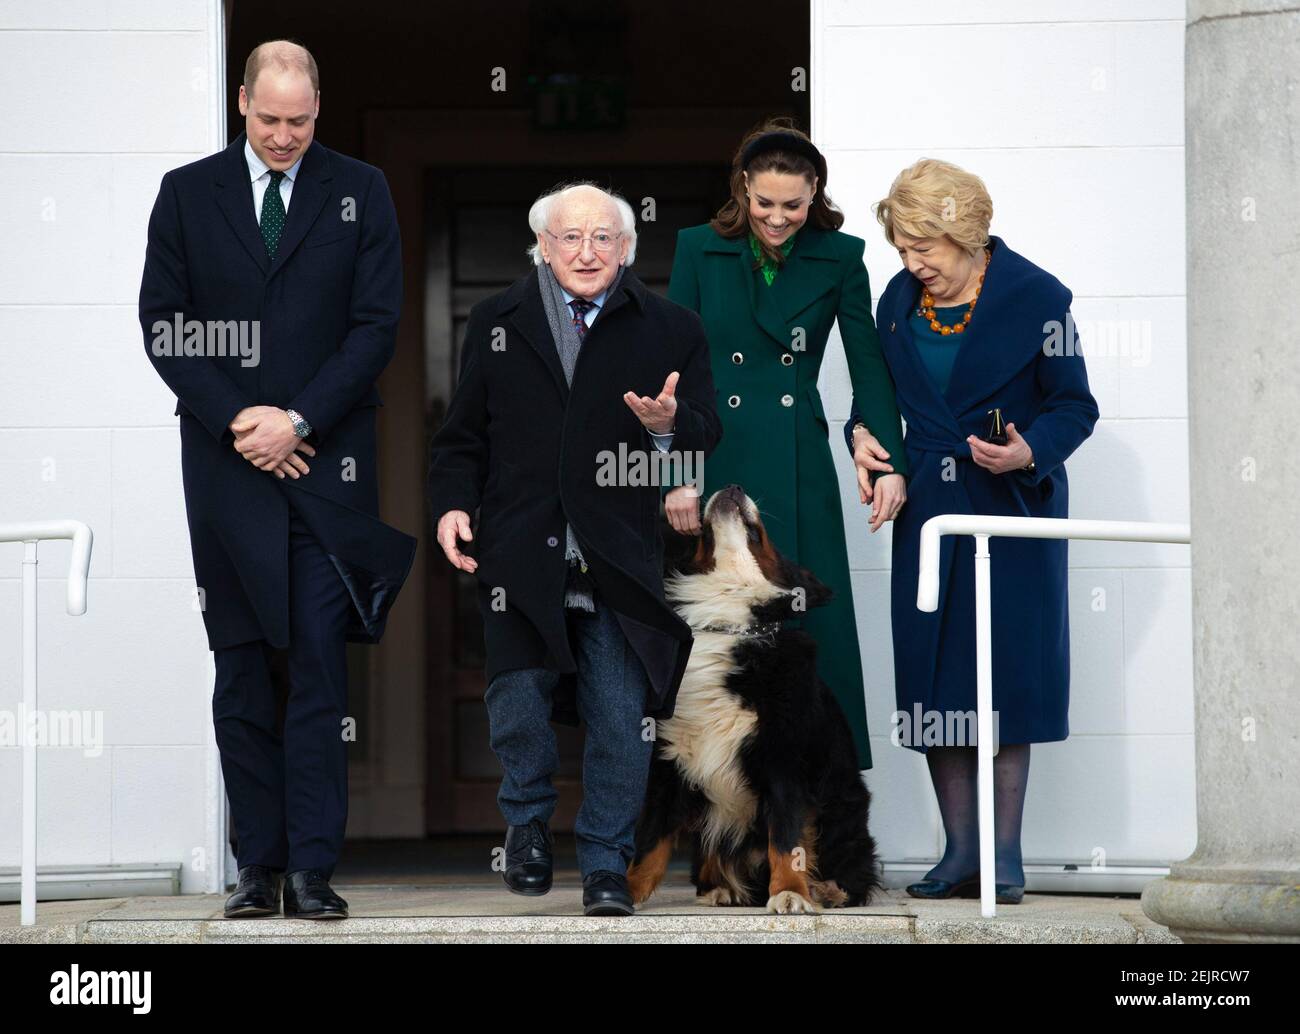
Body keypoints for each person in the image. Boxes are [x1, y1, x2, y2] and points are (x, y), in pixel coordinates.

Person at [139, 40, 415, 920]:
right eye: (269, 120)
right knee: (242, 671)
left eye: (299, 121)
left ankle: (311, 871)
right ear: (241, 103)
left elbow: (375, 328)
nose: (285, 136)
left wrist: (295, 419)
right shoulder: (187, 193)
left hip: (323, 467)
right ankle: (257, 867)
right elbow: (164, 325)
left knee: (319, 672)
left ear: (318, 107)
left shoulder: (361, 190)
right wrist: (238, 422)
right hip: (226, 474)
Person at [427, 182, 722, 916]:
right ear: (543, 246)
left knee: (622, 717)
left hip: (619, 553)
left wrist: (667, 427)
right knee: (517, 699)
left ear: (627, 249)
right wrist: (453, 505)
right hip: (521, 549)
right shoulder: (496, 320)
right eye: (570, 238)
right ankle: (526, 823)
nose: (586, 252)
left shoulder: (670, 326)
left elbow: (707, 432)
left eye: (602, 238)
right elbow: (463, 435)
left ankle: (603, 866)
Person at [844, 158, 1099, 903]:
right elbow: (880, 401)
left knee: (1007, 674)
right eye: (902, 249)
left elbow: (1075, 405)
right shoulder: (897, 301)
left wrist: (1028, 451)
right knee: (936, 676)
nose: (913, 264)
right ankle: (959, 852)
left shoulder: (1040, 299)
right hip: (926, 506)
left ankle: (1005, 856)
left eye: (927, 248)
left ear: (967, 235)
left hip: (1011, 510)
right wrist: (864, 439)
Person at [664, 118, 908, 770]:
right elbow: (673, 368)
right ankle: (719, 812)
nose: (777, 218)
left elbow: (869, 366)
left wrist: (889, 461)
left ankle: (819, 812)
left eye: (793, 206)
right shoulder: (696, 248)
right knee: (715, 637)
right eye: (764, 203)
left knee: (809, 628)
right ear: (743, 188)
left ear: (815, 192)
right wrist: (675, 473)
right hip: (716, 459)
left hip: (799, 465)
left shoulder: (843, 256)